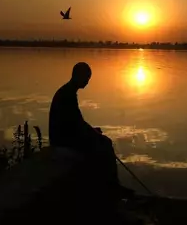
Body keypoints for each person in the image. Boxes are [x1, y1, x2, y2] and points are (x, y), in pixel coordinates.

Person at [48, 62, 135, 200]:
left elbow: (76, 120)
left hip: (64, 134)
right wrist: (92, 133)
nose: (88, 82)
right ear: (78, 76)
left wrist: (92, 131)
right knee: (105, 143)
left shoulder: (68, 91)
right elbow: (75, 123)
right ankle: (111, 186)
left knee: (101, 141)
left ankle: (110, 184)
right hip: (62, 139)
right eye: (87, 78)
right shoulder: (67, 94)